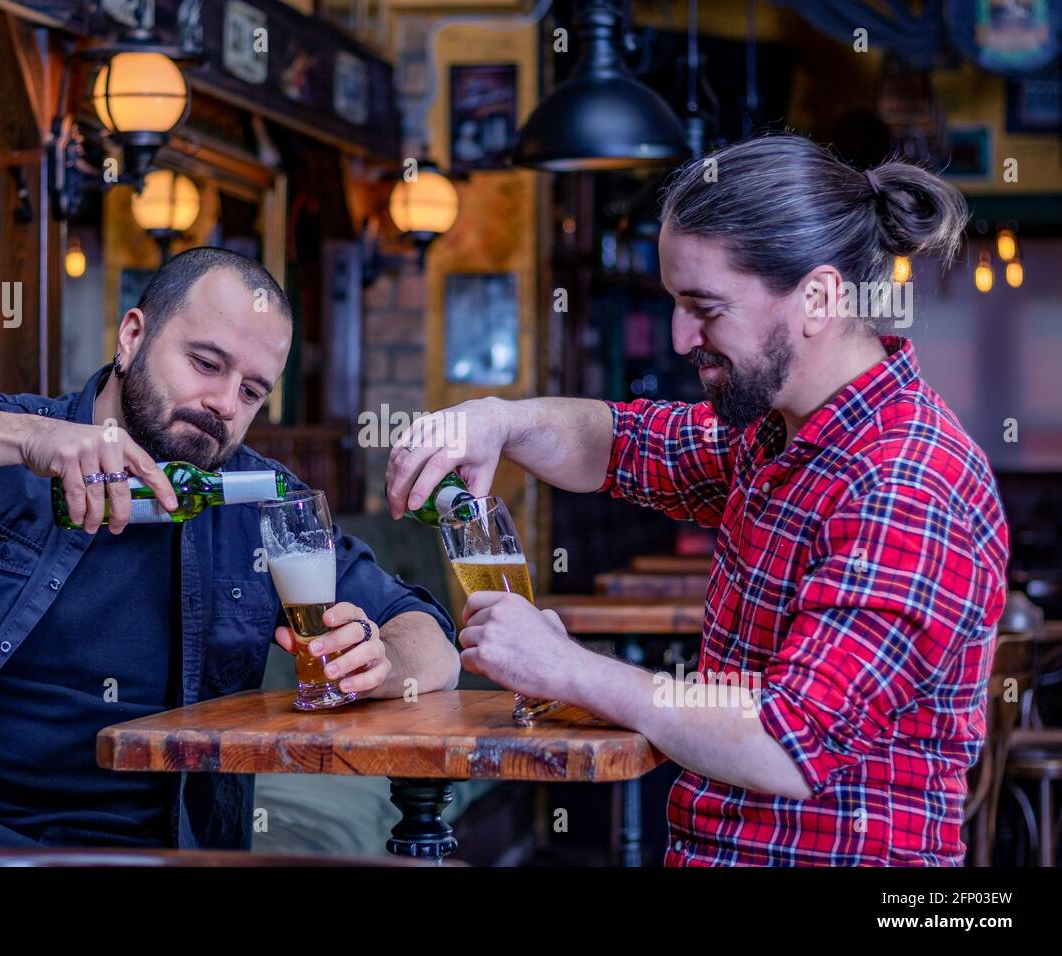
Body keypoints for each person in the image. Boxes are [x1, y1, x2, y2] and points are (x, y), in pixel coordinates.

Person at [386, 133, 1008, 866]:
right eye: (676, 304)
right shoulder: (778, 432)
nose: (682, 337)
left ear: (818, 298)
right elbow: (620, 443)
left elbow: (783, 744)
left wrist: (565, 668)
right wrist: (500, 417)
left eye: (706, 308)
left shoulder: (905, 483)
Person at [0, 247, 459, 866]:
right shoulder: (7, 452)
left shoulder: (260, 500)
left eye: (250, 391)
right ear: (133, 336)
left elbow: (429, 634)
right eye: (205, 363)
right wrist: (24, 438)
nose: (222, 402)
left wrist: (385, 659)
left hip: (150, 847)